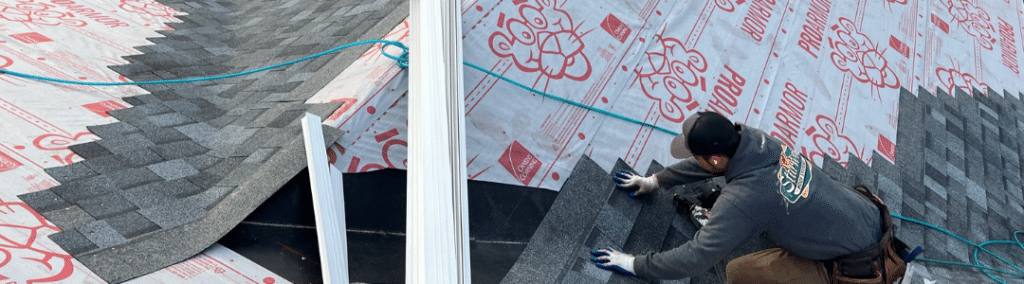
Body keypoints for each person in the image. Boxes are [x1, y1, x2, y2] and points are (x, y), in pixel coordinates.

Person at [589, 111, 907, 283]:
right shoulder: (754, 139)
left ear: (715, 159)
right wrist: (656, 180)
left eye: (697, 156)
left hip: (859, 264)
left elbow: (695, 258)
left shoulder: (743, 199)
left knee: (739, 272)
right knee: (767, 217)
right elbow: (708, 165)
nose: (696, 161)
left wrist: (633, 264)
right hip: (868, 216)